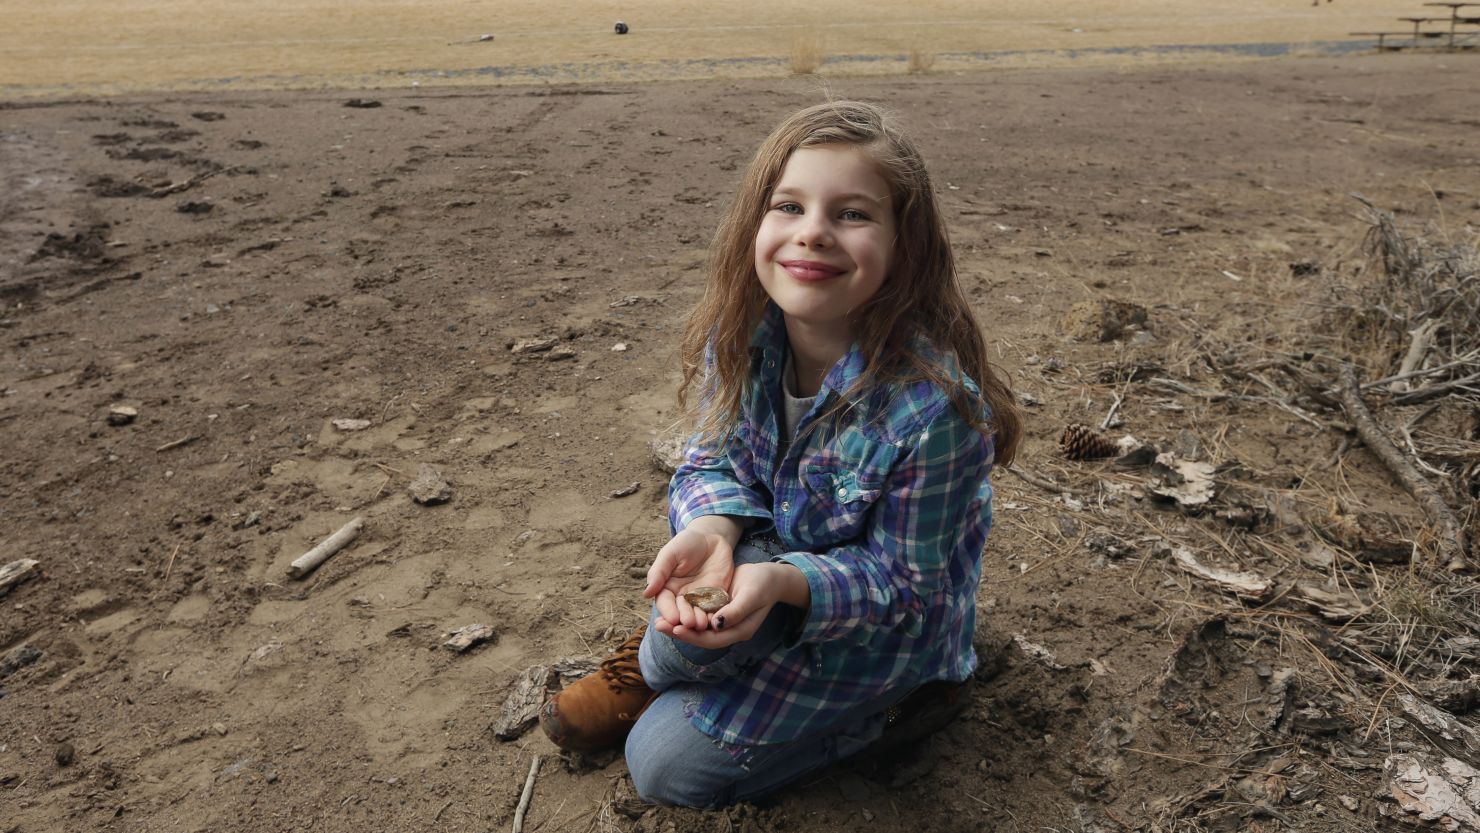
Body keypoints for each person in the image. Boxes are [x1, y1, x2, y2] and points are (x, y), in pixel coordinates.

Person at [539, 100, 1021, 807]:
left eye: (852, 214)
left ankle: (899, 707)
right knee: (673, 646)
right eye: (789, 205)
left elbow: (903, 585)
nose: (814, 233)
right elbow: (712, 460)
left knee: (663, 766)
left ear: (905, 245)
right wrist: (712, 529)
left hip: (884, 629)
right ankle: (671, 666)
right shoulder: (739, 335)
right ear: (755, 226)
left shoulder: (936, 409)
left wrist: (783, 582)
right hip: (772, 562)